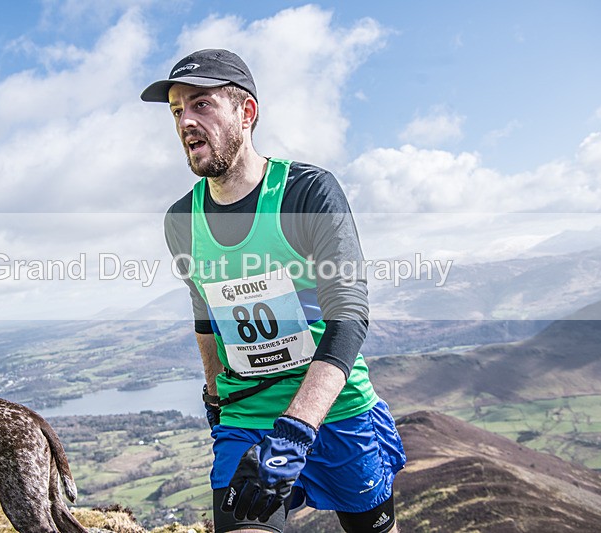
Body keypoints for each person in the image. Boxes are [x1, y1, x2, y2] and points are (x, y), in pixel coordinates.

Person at [141, 49, 406, 533]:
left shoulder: (308, 192)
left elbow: (349, 317)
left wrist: (297, 429)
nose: (185, 122)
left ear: (246, 113)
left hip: (336, 411)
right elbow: (205, 314)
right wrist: (216, 399)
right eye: (177, 111)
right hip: (248, 414)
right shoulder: (180, 221)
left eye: (201, 104)